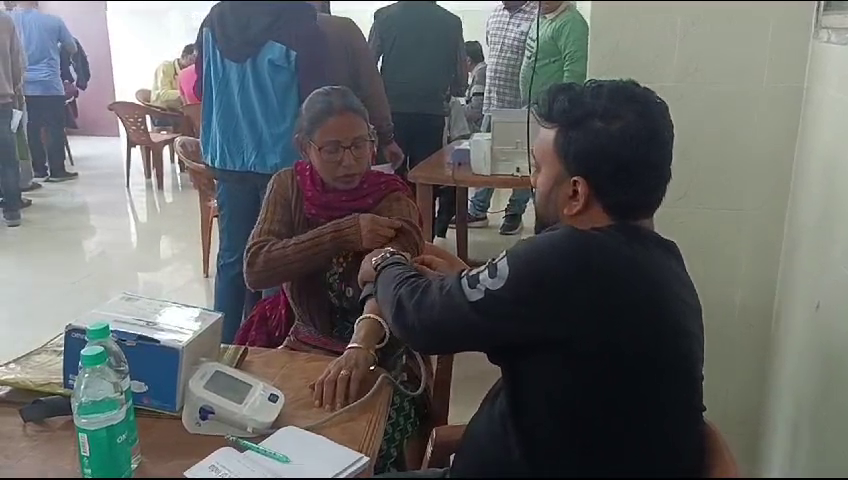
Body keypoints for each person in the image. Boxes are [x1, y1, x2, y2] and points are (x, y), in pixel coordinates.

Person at [360, 80, 707, 477]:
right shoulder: (660, 264)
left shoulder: (571, 255)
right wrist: (473, 281)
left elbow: (420, 318)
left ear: (576, 193)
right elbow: (546, 333)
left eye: (540, 169)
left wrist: (386, 263)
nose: (532, 181)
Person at [242, 86, 426, 473]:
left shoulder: (390, 197)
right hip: (303, 343)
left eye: (361, 145)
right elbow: (257, 268)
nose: (350, 161)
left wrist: (361, 346)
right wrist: (342, 234)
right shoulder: (288, 186)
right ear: (303, 146)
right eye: (333, 149)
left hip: (378, 354)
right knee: (259, 441)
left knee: (354, 453)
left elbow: (391, 271)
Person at [193, 0, 329, 343]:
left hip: (229, 153)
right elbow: (315, 99)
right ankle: (270, 346)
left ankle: (220, 345)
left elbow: (199, 86)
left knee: (232, 258)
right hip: (281, 160)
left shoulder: (215, 18)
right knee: (276, 260)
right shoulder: (298, 20)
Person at [368, 0, 467, 239]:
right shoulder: (451, 22)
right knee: (426, 180)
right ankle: (424, 240)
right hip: (431, 112)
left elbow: (369, 63)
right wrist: (454, 89)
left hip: (391, 113)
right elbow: (461, 73)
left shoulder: (384, 16)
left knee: (390, 179)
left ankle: (392, 238)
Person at [457, 0, 538, 236]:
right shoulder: (495, 15)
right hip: (492, 103)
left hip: (521, 105)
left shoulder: (537, 16)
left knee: (521, 163)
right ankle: (478, 210)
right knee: (486, 158)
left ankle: (514, 212)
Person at [10, 0, 78, 182]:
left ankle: (38, 169)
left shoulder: (8, 20)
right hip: (50, 84)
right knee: (54, 127)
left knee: (31, 127)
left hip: (21, 85)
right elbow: (72, 47)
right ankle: (57, 171)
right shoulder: (53, 21)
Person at [520, 0, 588, 104]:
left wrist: (564, 106)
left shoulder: (571, 22)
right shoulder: (543, 15)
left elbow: (575, 71)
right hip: (533, 106)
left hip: (552, 110)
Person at [0, 10, 24, 226]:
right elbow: (17, 61)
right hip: (2, 100)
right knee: (6, 158)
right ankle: (12, 210)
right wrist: (14, 86)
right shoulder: (5, 20)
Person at [150, 43, 195, 111]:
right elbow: (163, 94)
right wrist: (184, 93)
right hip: (160, 109)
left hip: (178, 108)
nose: (193, 64)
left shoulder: (192, 72)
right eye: (191, 60)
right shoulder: (165, 67)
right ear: (183, 56)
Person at [463, 40, 486, 133]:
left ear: (468, 60)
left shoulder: (480, 76)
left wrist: (455, 110)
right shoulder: (481, 72)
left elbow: (476, 111)